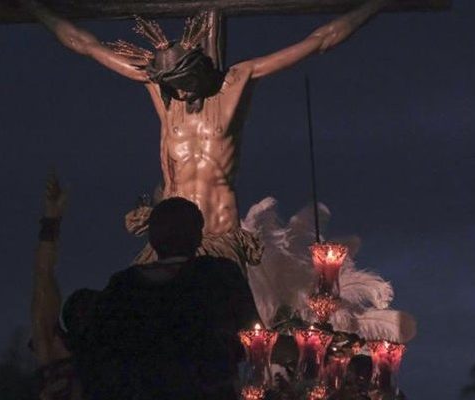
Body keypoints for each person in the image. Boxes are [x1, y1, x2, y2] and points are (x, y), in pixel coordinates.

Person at [20, 0, 390, 269]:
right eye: (174, 86)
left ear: (199, 72)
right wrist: (34, 8)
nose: (180, 94)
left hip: (219, 235)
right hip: (168, 240)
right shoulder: (158, 88)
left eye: (185, 85)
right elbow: (85, 44)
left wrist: (374, 6)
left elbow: (320, 39)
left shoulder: (236, 82)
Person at [31, 174, 260, 399]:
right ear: (198, 237)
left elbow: (44, 293)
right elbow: (256, 341)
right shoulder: (219, 276)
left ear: (152, 239)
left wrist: (51, 221)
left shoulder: (123, 288)